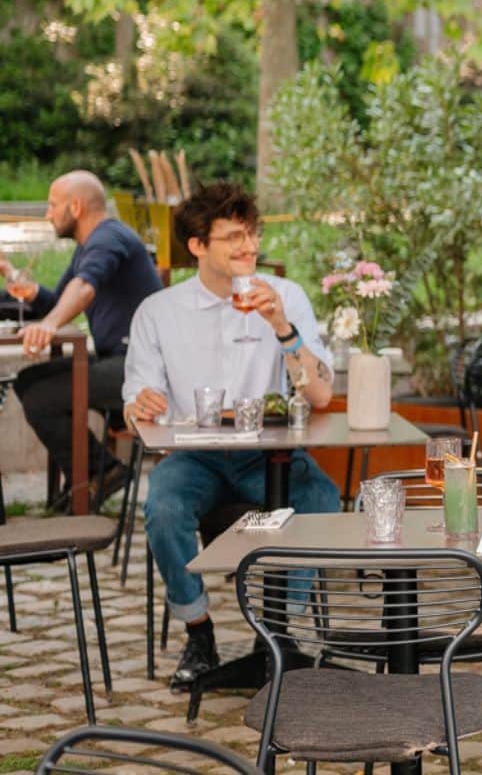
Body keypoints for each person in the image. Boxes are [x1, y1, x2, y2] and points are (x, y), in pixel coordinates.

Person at [121, 182, 337, 688]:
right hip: (195, 456)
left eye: (253, 234)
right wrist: (141, 406)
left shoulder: (287, 298)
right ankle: (198, 629)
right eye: (234, 237)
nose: (249, 247)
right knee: (164, 509)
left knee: (321, 496)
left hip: (270, 454)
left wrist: (283, 328)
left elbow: (322, 395)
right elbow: (139, 400)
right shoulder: (160, 311)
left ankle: (278, 634)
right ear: (197, 245)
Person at [4, 170, 163, 508]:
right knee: (29, 380)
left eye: (52, 205)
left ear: (75, 207)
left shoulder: (109, 238)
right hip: (115, 359)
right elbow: (60, 301)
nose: (48, 214)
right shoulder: (88, 246)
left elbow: (84, 287)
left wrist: (48, 325)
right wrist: (23, 285)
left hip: (141, 370)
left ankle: (101, 473)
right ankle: (93, 474)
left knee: (42, 398)